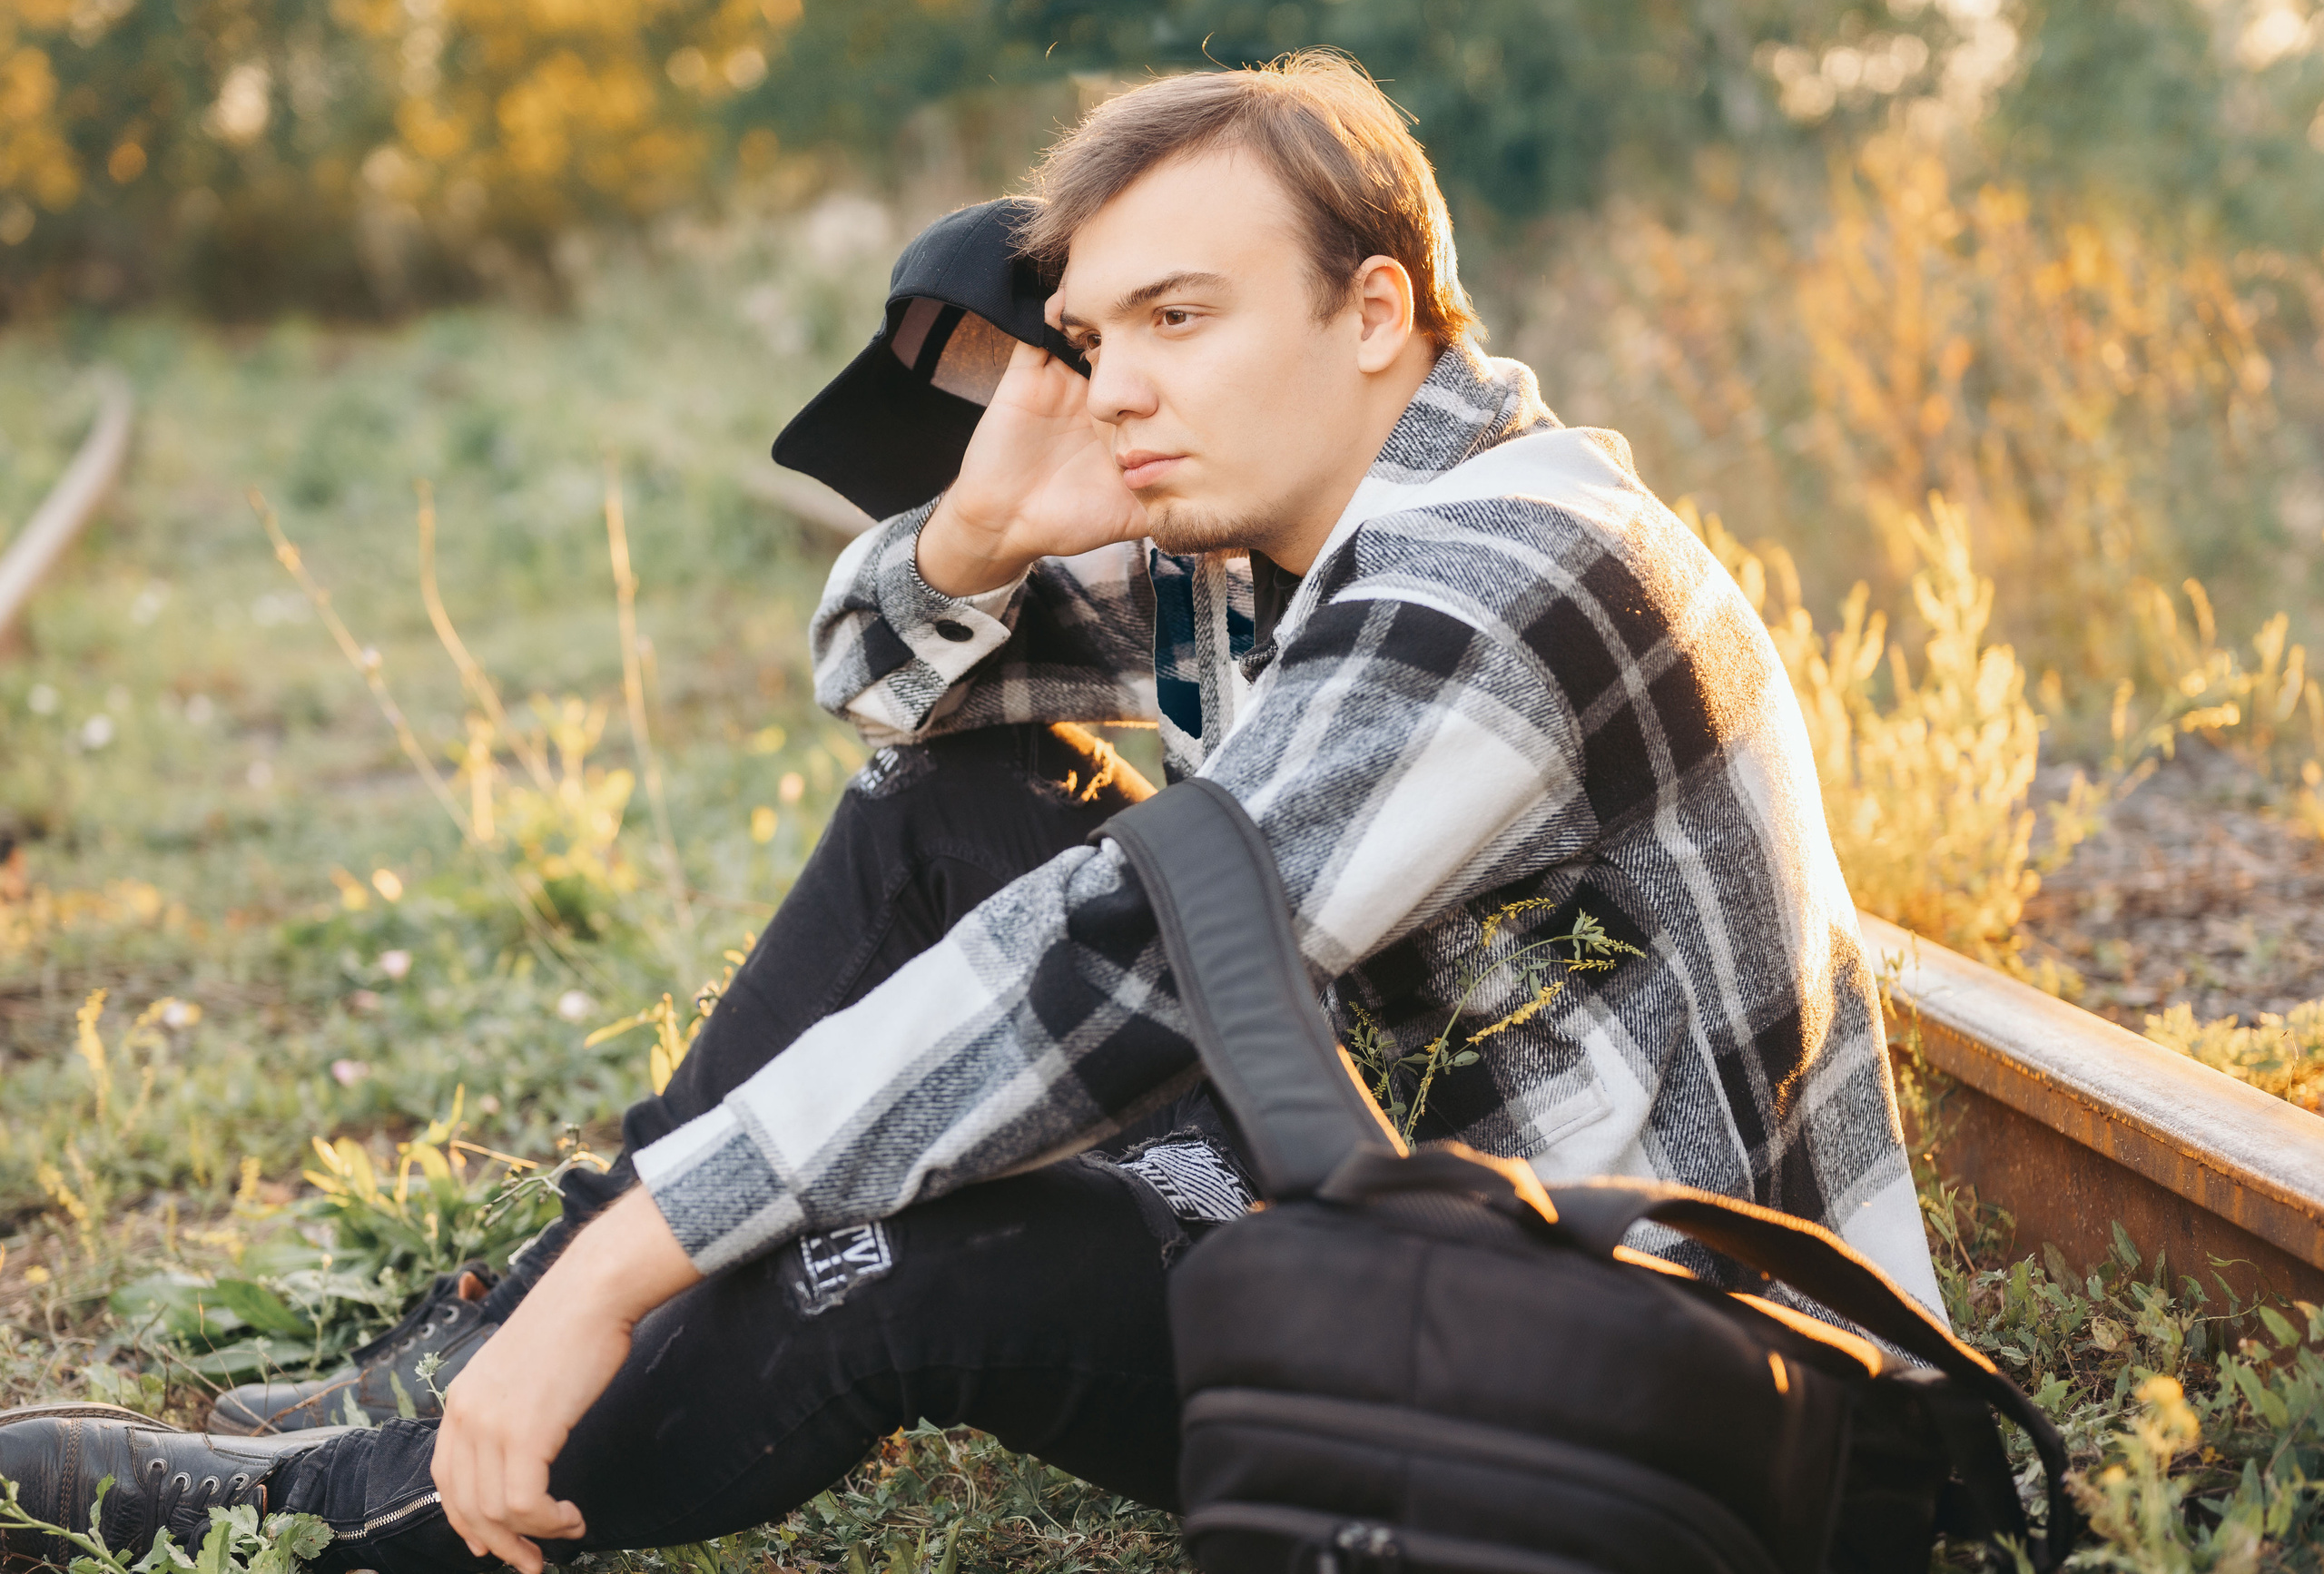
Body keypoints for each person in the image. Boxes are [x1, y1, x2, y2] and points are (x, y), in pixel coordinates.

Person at [0, 51, 1945, 1574]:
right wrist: (989, 522)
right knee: (958, 798)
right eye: (1097, 342)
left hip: (1659, 1405)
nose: (1120, 389)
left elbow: (1099, 976)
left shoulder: (1502, 570)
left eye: (1181, 319)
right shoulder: (1258, 533)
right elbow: (877, 677)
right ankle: (472, 1354)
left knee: (906, 1255)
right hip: (1419, 1218)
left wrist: (633, 1264)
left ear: (1374, 315)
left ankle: (368, 1507)